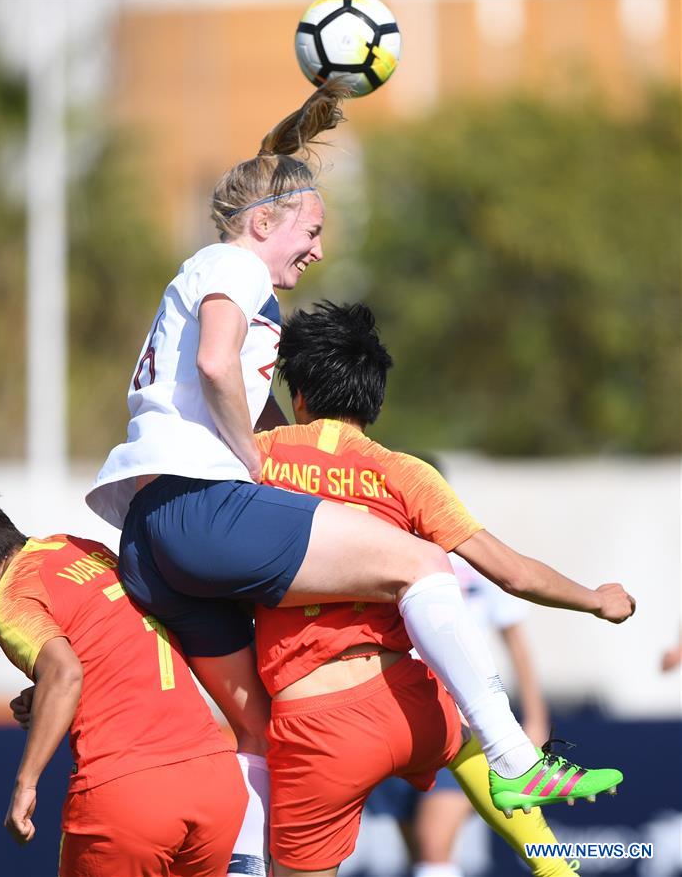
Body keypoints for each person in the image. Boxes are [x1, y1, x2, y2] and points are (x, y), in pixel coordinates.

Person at [85, 79, 634, 831]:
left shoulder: (218, 283)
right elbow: (217, 367)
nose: (317, 247)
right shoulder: (234, 267)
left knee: (252, 731)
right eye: (309, 229)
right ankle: (513, 760)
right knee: (419, 563)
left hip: (149, 535)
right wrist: (250, 460)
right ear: (263, 220)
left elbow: (234, 387)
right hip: (198, 506)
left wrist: (267, 447)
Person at [252, 300, 630, 876]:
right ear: (374, 397)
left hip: (317, 717)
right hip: (408, 698)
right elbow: (514, 573)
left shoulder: (257, 459)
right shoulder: (406, 474)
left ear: (298, 395)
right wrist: (596, 599)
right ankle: (558, 863)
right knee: (476, 744)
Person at [0, 473, 248, 877]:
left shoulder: (11, 602)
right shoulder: (74, 549)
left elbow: (65, 673)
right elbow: (114, 636)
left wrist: (25, 784)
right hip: (214, 782)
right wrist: (46, 693)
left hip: (128, 795)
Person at [369, 460, 551, 877]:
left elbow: (518, 642)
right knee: (418, 853)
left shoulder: (474, 560)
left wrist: (536, 718)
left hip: (466, 726)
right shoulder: (379, 560)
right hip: (402, 722)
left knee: (435, 846)